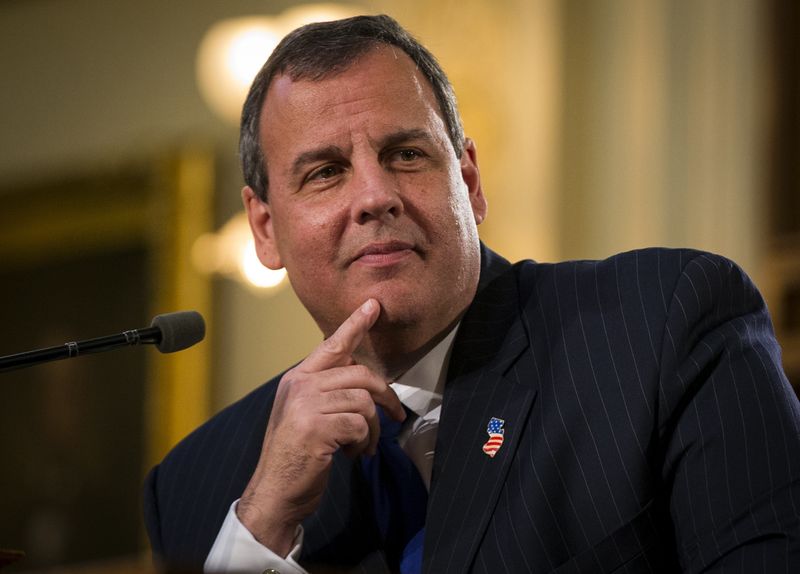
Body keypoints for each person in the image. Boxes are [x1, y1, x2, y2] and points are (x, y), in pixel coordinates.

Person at [143, 14, 800, 573]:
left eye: (405, 155)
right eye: (325, 172)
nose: (376, 197)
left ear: (470, 182)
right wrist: (262, 525)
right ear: (265, 228)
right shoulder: (198, 489)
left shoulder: (664, 326)